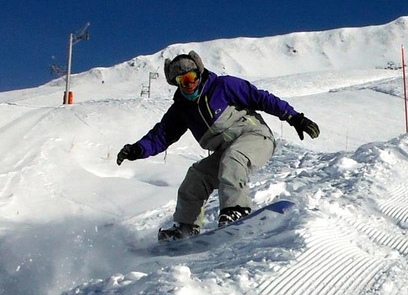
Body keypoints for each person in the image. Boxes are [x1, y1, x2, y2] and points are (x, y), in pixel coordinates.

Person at [116, 51, 320, 239]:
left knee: (233, 158)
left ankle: (236, 210)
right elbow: (161, 136)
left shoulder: (223, 86)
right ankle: (186, 228)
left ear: (199, 72)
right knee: (196, 175)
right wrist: (136, 150)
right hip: (225, 151)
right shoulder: (181, 110)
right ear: (175, 83)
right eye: (181, 80)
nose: (188, 84)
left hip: (256, 137)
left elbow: (262, 98)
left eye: (191, 77)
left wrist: (294, 118)